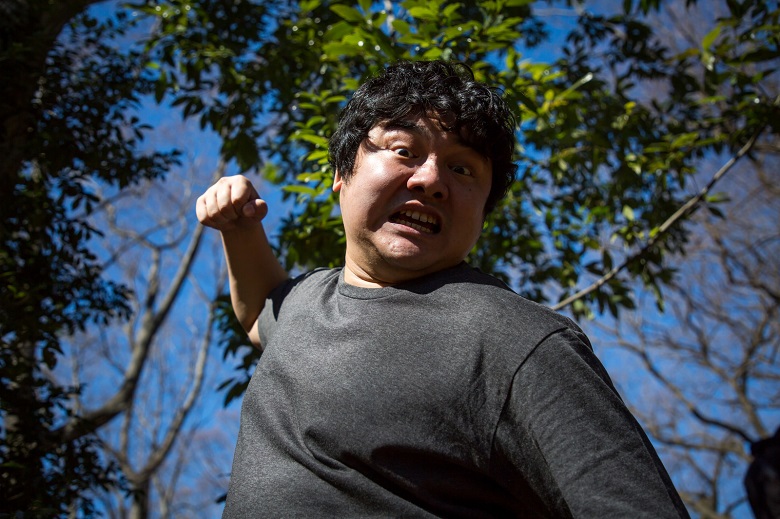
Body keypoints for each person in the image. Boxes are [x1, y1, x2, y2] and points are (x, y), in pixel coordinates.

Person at [197, 60, 690, 518]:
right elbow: (257, 312)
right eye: (404, 151)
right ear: (342, 173)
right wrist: (240, 230)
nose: (431, 179)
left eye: (462, 169)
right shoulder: (305, 301)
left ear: (482, 213)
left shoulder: (516, 340)